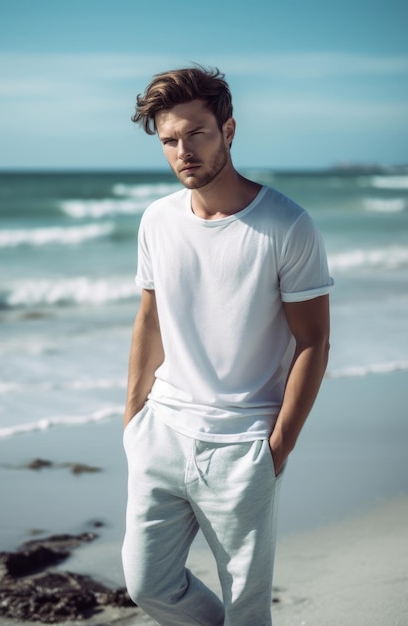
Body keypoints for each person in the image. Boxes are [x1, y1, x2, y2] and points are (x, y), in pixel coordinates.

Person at [121, 65, 333, 626]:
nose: (183, 151)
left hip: (243, 446)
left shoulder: (288, 225)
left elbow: (313, 340)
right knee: (148, 585)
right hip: (161, 433)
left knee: (246, 610)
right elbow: (150, 319)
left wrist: (279, 444)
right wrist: (133, 416)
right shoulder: (157, 221)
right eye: (170, 140)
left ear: (229, 130)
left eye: (197, 134)